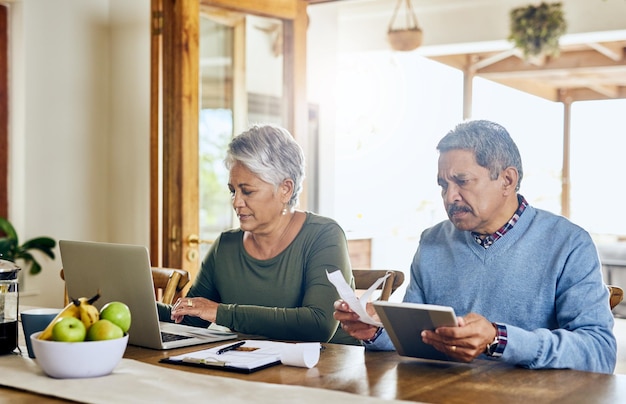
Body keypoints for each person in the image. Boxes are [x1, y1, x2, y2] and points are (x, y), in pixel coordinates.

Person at [334, 119, 617, 373]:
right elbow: (419, 338)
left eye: (462, 181)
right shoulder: (432, 241)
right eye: (443, 185)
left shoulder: (568, 243)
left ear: (507, 180)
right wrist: (375, 330)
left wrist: (499, 339)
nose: (450, 196)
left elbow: (599, 351)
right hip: (444, 393)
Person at [157, 124, 356, 344]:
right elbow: (189, 320)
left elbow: (318, 325)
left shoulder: (325, 235)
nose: (236, 202)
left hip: (324, 369)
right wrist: (133, 304)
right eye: (233, 190)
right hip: (253, 367)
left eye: (247, 191)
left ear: (285, 189)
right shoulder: (225, 246)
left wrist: (222, 312)